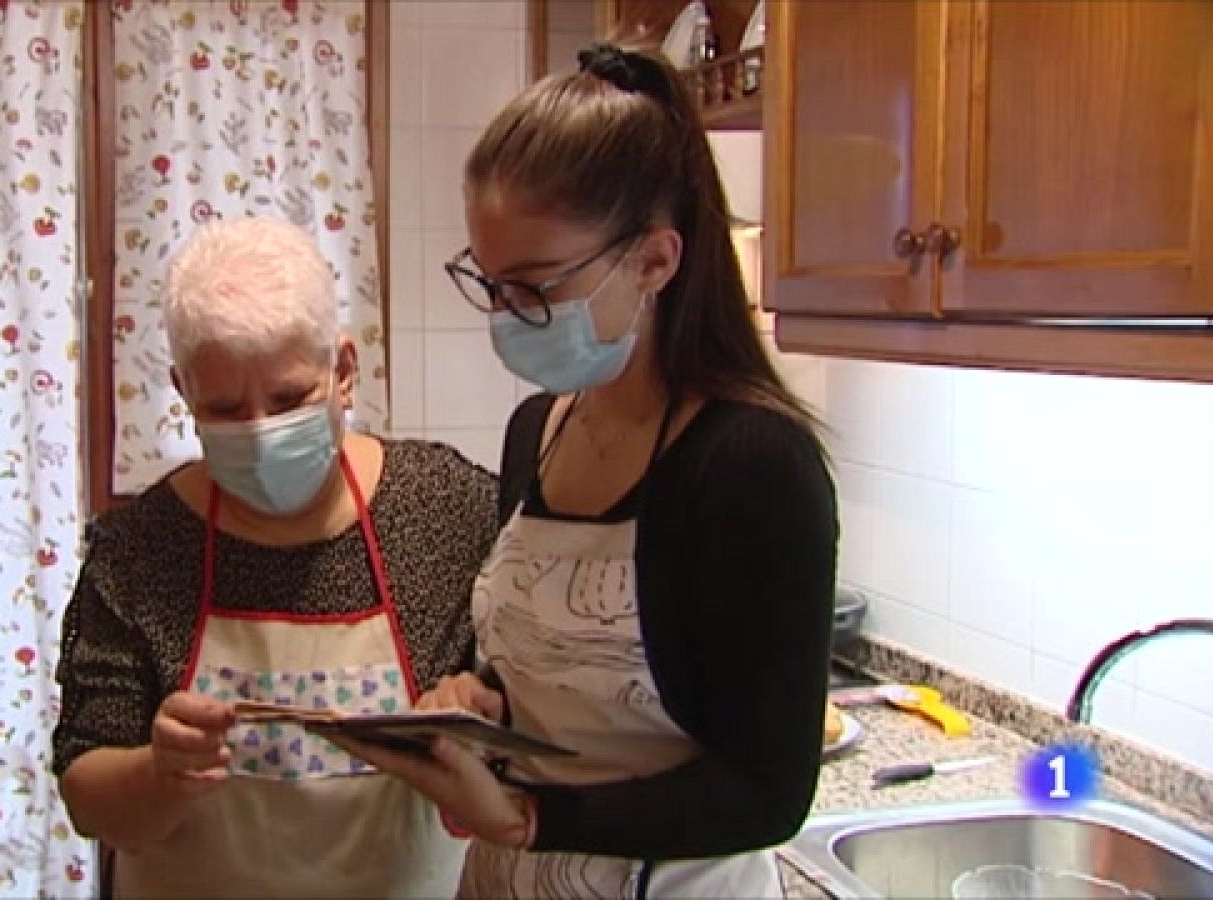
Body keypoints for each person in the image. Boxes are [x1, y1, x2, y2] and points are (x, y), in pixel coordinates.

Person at [329, 43, 840, 898]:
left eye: (533, 287)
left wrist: (528, 818)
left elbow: (766, 793)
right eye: (489, 283)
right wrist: (482, 698)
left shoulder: (753, 466)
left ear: (655, 261)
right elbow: (557, 665)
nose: (505, 318)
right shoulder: (539, 428)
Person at [51, 216, 498, 898]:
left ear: (344, 370)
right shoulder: (142, 549)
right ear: (183, 391)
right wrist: (164, 773)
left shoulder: (446, 511)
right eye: (225, 409)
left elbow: (524, 733)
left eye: (289, 399)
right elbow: (88, 794)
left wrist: (473, 713)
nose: (260, 435)